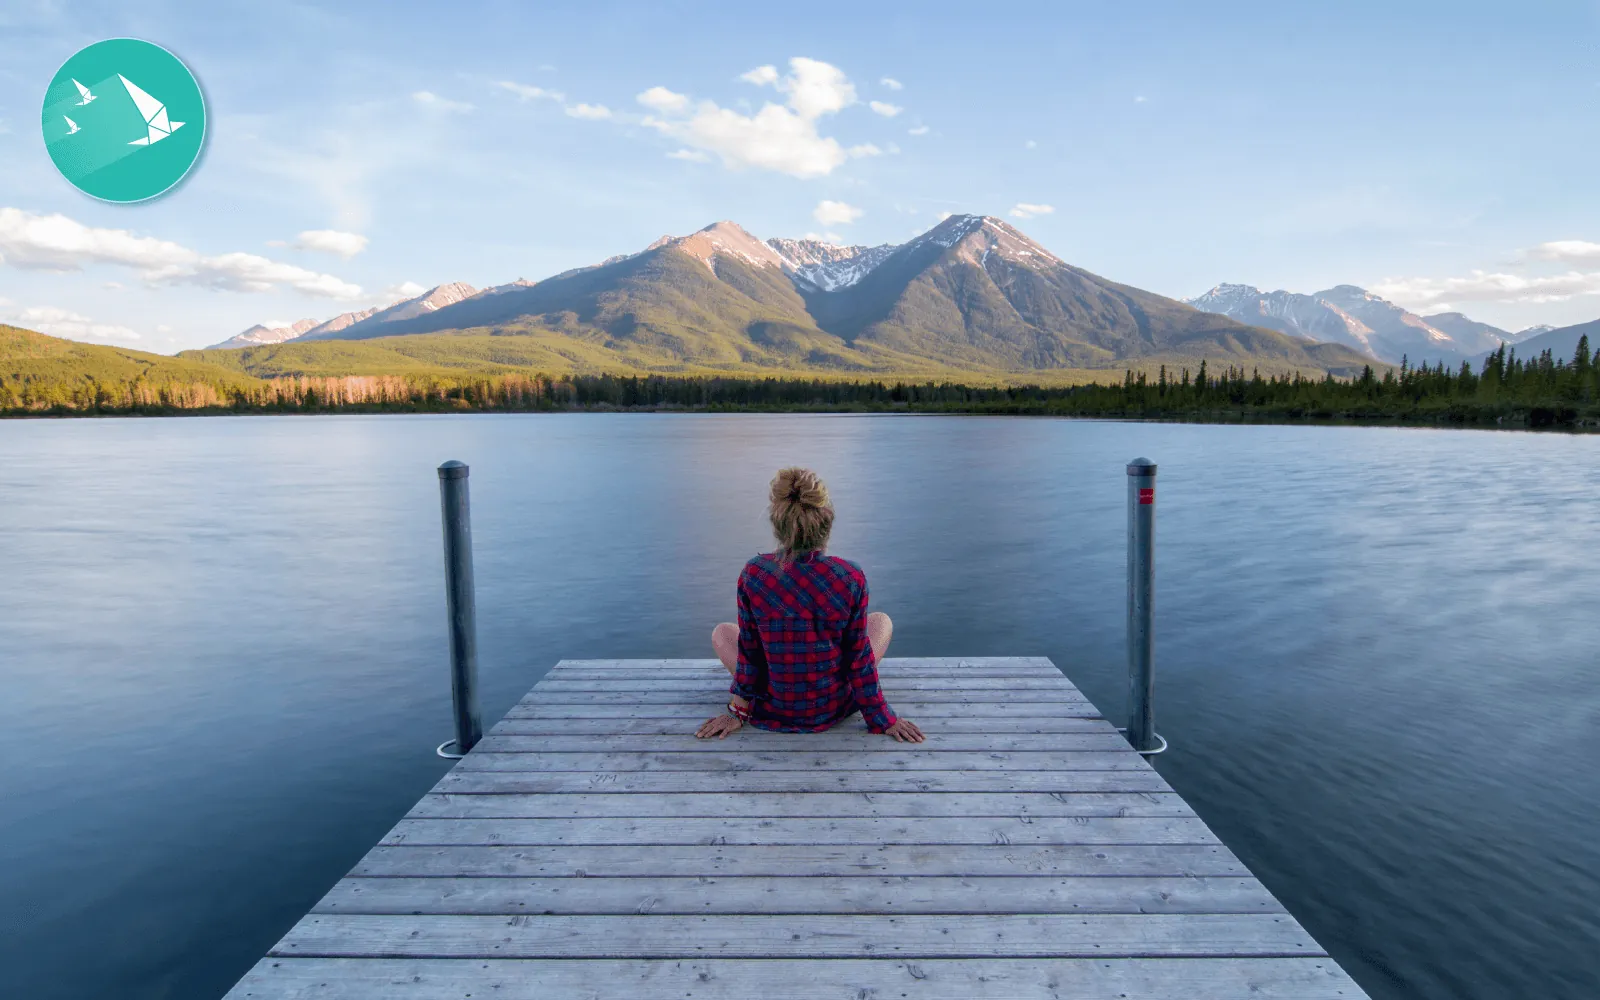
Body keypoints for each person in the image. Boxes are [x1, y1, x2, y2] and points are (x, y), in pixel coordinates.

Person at [696, 467, 925, 743]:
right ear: (827, 520)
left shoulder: (754, 574)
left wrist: (737, 712)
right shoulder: (849, 577)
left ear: (778, 524)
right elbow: (858, 658)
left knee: (723, 633)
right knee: (881, 622)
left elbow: (750, 652)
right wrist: (883, 719)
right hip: (831, 707)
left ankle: (758, 699)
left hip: (773, 705)